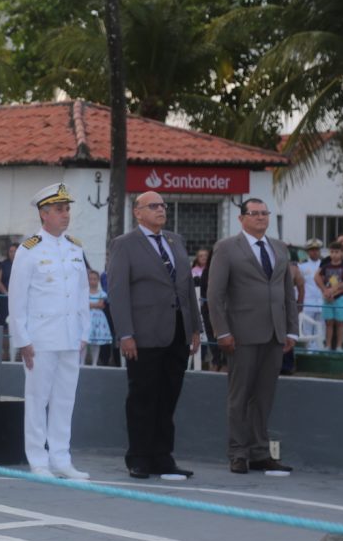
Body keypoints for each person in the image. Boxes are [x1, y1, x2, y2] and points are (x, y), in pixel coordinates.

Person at [107, 191, 201, 480]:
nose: (161, 210)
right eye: (154, 206)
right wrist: (125, 333)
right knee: (143, 397)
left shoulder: (175, 241)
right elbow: (118, 293)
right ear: (137, 212)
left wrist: (195, 326)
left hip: (177, 332)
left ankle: (163, 456)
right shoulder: (124, 245)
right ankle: (139, 457)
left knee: (168, 395)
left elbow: (185, 287)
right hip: (144, 335)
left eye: (163, 205)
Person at [208, 198, 298, 474]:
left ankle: (260, 452)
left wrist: (291, 329)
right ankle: (238, 453)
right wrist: (222, 331)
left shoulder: (280, 248)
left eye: (264, 213)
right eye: (254, 213)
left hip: (274, 334)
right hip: (241, 334)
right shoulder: (226, 248)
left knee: (264, 396)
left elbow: (287, 293)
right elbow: (214, 294)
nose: (260, 218)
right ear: (241, 218)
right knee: (240, 397)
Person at [8, 183, 90, 479]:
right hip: (41, 338)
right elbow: (17, 299)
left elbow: (82, 295)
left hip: (70, 337)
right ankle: (38, 459)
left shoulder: (75, 247)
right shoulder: (29, 250)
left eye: (67, 209)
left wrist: (84, 333)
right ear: (44, 214)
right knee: (37, 399)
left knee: (65, 400)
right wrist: (23, 339)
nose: (65, 214)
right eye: (59, 209)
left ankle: (61, 458)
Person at [315, 241, 343, 351]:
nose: (334, 254)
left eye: (337, 252)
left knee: (340, 323)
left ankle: (339, 346)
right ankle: (327, 345)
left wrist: (333, 291)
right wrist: (325, 291)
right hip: (327, 298)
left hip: (340, 298)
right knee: (329, 323)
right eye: (332, 252)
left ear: (342, 253)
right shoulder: (326, 266)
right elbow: (317, 278)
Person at [299, 239, 325, 349]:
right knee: (307, 328)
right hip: (308, 302)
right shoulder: (302, 266)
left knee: (322, 326)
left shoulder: (324, 265)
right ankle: (309, 349)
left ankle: (320, 348)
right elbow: (299, 285)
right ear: (308, 252)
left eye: (316, 250)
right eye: (312, 250)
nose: (314, 252)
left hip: (322, 301)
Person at [87, 270, 112, 366]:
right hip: (87, 318)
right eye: (90, 279)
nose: (92, 281)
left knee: (96, 342)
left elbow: (101, 305)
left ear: (98, 280)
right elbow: (84, 305)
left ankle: (94, 362)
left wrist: (90, 305)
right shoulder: (84, 292)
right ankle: (81, 363)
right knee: (84, 341)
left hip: (98, 320)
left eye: (94, 279)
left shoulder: (101, 293)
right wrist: (95, 304)